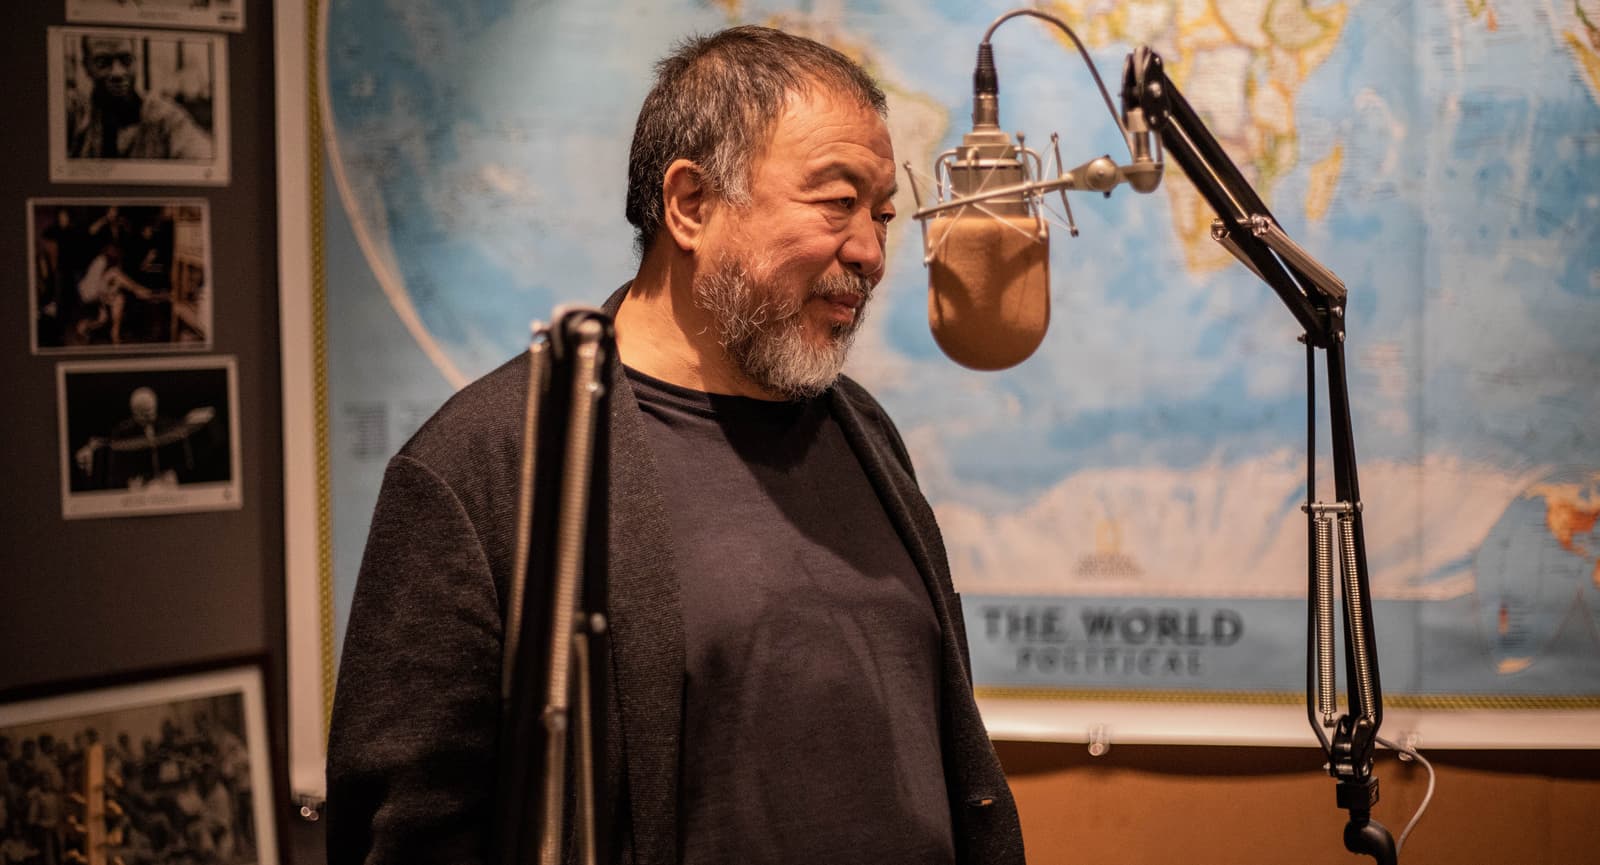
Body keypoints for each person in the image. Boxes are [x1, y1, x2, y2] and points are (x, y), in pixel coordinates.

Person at [326, 25, 1026, 865]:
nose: (872, 253)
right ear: (691, 204)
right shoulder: (486, 467)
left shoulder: (862, 429)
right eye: (838, 203)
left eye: (880, 214)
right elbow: (407, 832)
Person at [66, 34, 213, 161]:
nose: (118, 73)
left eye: (126, 60)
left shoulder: (165, 119)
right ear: (86, 66)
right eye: (103, 62)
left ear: (136, 61)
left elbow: (202, 157)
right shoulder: (76, 114)